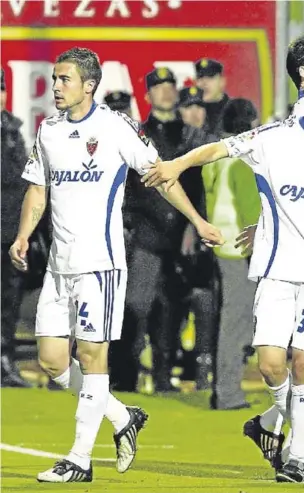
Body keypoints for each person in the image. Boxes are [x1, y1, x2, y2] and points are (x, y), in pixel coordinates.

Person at [141, 62, 304, 483]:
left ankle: (299, 454)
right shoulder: (274, 138)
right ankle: (293, 428)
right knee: (270, 365)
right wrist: (176, 165)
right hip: (276, 270)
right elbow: (219, 149)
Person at [9, 47, 223, 483]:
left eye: (63, 79)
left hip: (101, 265)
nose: (55, 87)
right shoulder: (48, 131)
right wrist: (24, 235)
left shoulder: (115, 127)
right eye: (54, 79)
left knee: (92, 357)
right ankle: (122, 415)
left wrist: (198, 221)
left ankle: (80, 459)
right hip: (58, 266)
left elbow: (159, 175)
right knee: (52, 361)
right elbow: (37, 190)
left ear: (89, 85)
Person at [124, 67, 219, 392]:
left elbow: (199, 185)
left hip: (181, 236)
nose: (165, 91)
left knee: (174, 307)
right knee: (138, 305)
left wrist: (196, 224)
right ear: (147, 95)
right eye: (158, 86)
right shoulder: (135, 133)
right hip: (147, 234)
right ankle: (129, 370)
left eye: (169, 86)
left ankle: (163, 374)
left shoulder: (190, 136)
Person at [203, 98, 261, 410]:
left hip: (219, 245)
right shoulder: (243, 161)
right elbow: (251, 213)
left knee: (229, 320)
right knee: (235, 323)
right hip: (240, 249)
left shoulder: (215, 156)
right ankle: (228, 393)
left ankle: (222, 388)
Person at [1, 67, 31, 388]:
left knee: (7, 302)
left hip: (9, 231)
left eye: (2, 89)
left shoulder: (13, 131)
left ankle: (4, 360)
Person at [195, 58, 230, 135]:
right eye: (200, 78)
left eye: (210, 77)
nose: (204, 83)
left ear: (222, 81)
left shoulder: (236, 110)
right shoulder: (187, 112)